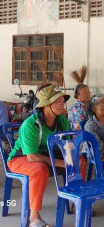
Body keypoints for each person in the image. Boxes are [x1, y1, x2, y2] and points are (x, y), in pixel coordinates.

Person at [7, 85, 73, 227]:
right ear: (46, 105)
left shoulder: (62, 121)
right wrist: (61, 163)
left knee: (79, 161)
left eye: (63, 101)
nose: (63, 104)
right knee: (39, 169)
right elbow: (32, 157)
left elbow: (68, 144)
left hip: (46, 155)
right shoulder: (31, 124)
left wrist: (71, 158)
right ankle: (34, 217)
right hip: (20, 158)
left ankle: (75, 201)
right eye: (58, 101)